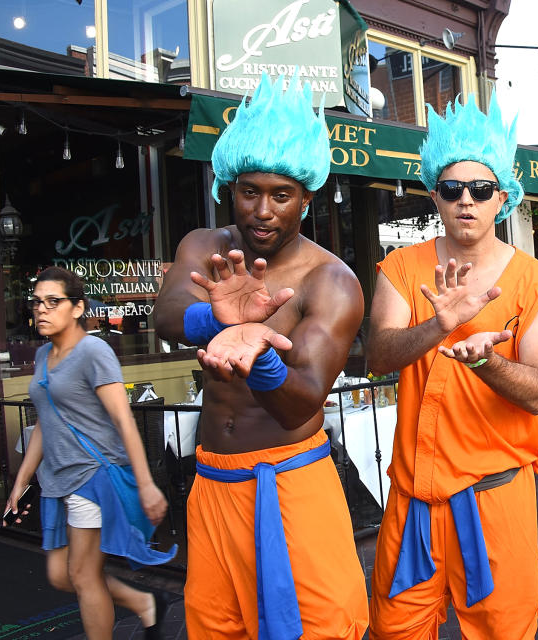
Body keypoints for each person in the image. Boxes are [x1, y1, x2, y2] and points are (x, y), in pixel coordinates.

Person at [153, 74, 368, 639]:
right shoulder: (206, 246)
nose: (264, 210)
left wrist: (261, 354)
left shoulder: (332, 282)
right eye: (250, 191)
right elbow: (168, 312)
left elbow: (301, 403)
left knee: (320, 627)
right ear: (229, 188)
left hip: (293, 483)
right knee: (217, 627)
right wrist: (214, 319)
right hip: (213, 482)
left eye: (281, 195)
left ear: (306, 198)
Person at [366, 94, 538, 639]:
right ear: (436, 194)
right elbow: (377, 355)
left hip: (495, 501)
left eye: (481, 190)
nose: (466, 201)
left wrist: (487, 363)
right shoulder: (401, 268)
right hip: (412, 505)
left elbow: (537, 393)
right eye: (453, 189)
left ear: (502, 197)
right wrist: (438, 326)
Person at [6, 266, 175, 640]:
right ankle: (145, 602)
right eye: (37, 302)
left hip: (90, 475)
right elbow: (45, 423)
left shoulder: (93, 351)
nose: (42, 310)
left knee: (83, 576)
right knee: (60, 574)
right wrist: (20, 481)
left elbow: (123, 419)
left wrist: (146, 485)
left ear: (78, 308)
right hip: (55, 480)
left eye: (54, 301)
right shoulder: (42, 356)